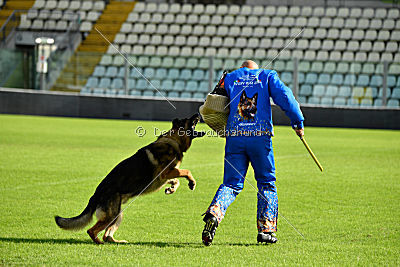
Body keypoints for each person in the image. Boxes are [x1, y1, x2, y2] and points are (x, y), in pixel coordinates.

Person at [201, 60, 304, 246]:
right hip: (260, 136)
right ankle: (266, 230)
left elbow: (213, 104)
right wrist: (297, 121)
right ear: (255, 69)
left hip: (235, 137)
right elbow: (286, 97)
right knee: (266, 182)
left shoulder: (230, 77)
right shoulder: (267, 76)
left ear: (242, 68)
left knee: (231, 184)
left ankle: (215, 211)